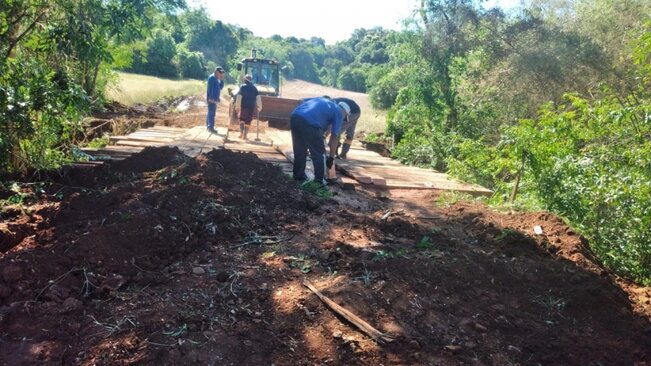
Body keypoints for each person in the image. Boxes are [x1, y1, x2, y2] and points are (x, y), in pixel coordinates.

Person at [290, 97, 350, 185]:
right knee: (319, 153)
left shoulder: (323, 101)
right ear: (344, 112)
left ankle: (298, 177)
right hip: (310, 123)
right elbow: (334, 137)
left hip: (295, 117)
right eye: (345, 118)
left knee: (300, 150)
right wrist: (331, 157)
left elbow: (301, 101)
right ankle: (319, 181)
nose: (343, 119)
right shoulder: (339, 112)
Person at [235, 74, 262, 140]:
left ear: (245, 79)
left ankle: (241, 133)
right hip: (251, 107)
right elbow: (258, 98)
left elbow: (239, 97)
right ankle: (245, 135)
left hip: (244, 106)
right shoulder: (254, 88)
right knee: (248, 121)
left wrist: (237, 106)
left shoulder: (242, 87)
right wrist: (259, 107)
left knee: (242, 119)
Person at [206, 66, 225, 133]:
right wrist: (210, 99)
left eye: (221, 73)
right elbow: (210, 89)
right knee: (212, 113)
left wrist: (222, 80)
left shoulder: (217, 79)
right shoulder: (212, 78)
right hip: (212, 99)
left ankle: (209, 126)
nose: (221, 74)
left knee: (210, 112)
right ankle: (211, 127)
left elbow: (220, 87)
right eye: (220, 73)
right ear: (216, 72)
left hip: (215, 99)